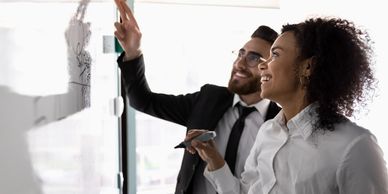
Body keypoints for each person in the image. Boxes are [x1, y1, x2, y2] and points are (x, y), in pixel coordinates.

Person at [187, 17, 388, 194]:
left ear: (308, 67)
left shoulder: (355, 146)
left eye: (275, 54)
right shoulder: (267, 132)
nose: (262, 64)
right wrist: (214, 159)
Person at [113, 0, 281, 194]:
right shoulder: (208, 99)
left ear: (269, 68)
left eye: (253, 58)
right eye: (240, 53)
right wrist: (133, 52)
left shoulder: (279, 124)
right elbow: (143, 101)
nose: (240, 63)